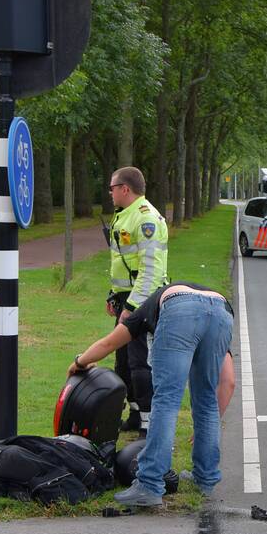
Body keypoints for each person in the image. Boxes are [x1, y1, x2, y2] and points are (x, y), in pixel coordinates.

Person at [68, 282, 235, 505]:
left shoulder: (146, 308)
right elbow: (228, 382)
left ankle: (150, 484)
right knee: (206, 401)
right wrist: (209, 426)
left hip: (180, 310)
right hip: (223, 310)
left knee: (166, 399)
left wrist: (80, 362)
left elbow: (109, 343)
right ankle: (204, 479)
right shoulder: (212, 308)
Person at [106, 167, 169, 435]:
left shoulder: (146, 220)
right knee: (122, 362)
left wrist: (131, 308)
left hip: (143, 301)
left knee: (139, 361)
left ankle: (148, 421)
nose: (109, 192)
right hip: (127, 298)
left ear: (125, 189)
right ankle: (134, 412)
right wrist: (115, 296)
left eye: (112, 187)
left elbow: (151, 271)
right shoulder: (126, 215)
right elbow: (124, 262)